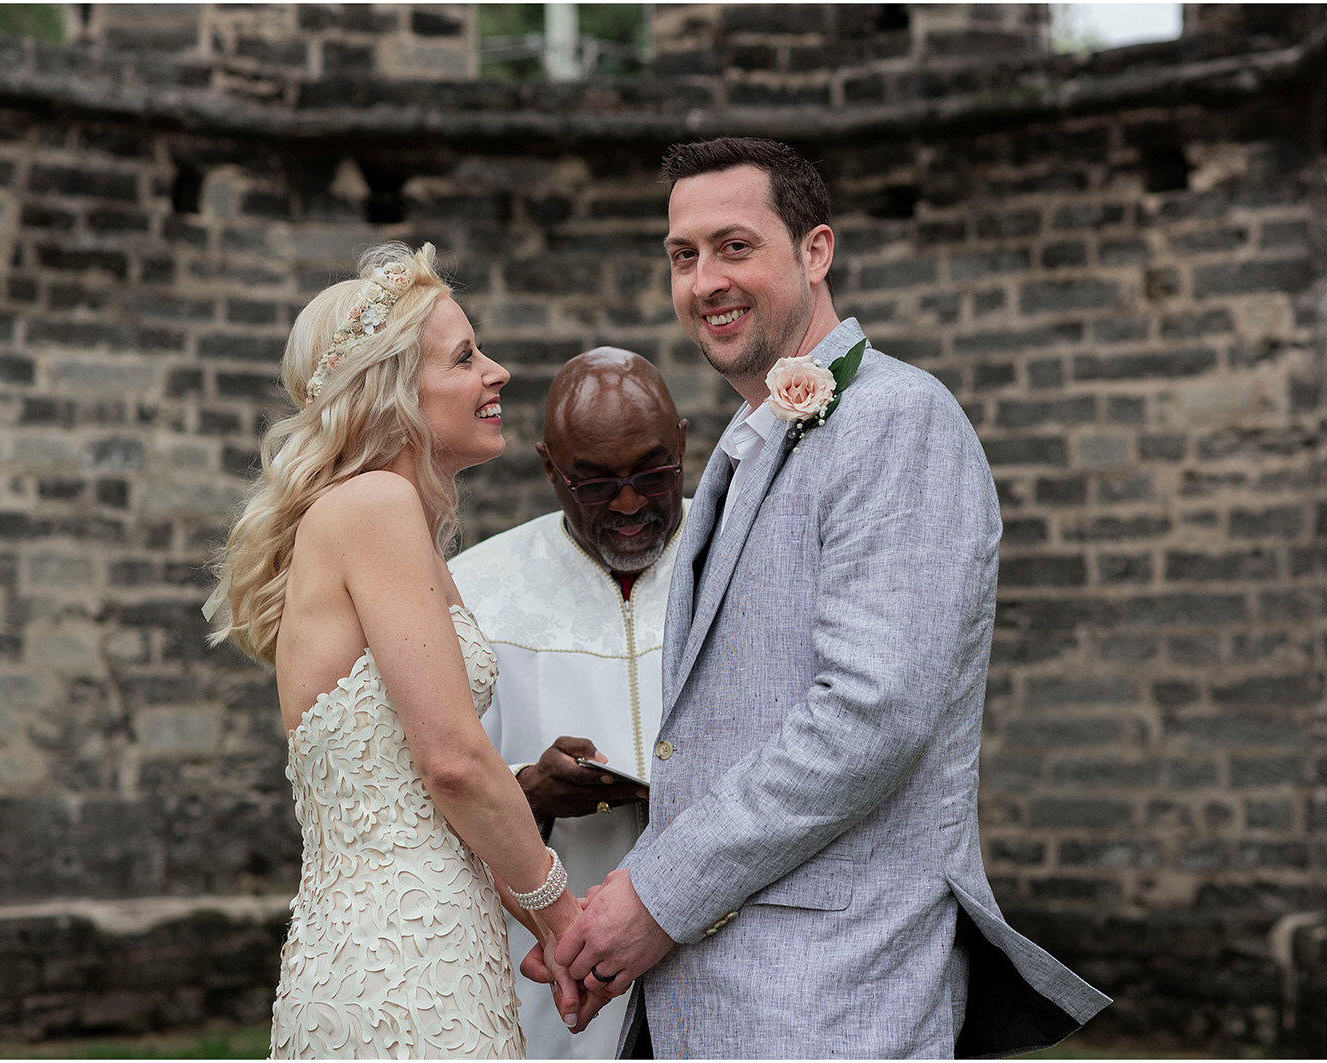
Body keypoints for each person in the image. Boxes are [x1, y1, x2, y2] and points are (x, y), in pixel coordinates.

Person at [542, 136, 1110, 1057]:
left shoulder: (896, 420)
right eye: (683, 257)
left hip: (829, 998)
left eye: (735, 246)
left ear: (816, 251)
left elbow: (870, 714)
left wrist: (657, 893)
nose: (705, 280)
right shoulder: (751, 436)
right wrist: (628, 911)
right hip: (720, 994)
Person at [205, 242, 586, 1057]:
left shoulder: (378, 521)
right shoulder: (375, 506)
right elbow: (451, 759)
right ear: (395, 392)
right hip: (405, 970)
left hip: (397, 941)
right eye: (465, 356)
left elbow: (430, 794)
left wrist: (540, 926)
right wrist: (568, 920)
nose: (498, 372)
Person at [450, 348, 689, 1058]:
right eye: (593, 482)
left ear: (682, 440)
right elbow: (432, 798)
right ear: (550, 467)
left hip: (722, 953)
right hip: (556, 973)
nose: (627, 503)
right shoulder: (475, 591)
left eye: (652, 471)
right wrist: (533, 791)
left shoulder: (744, 554)